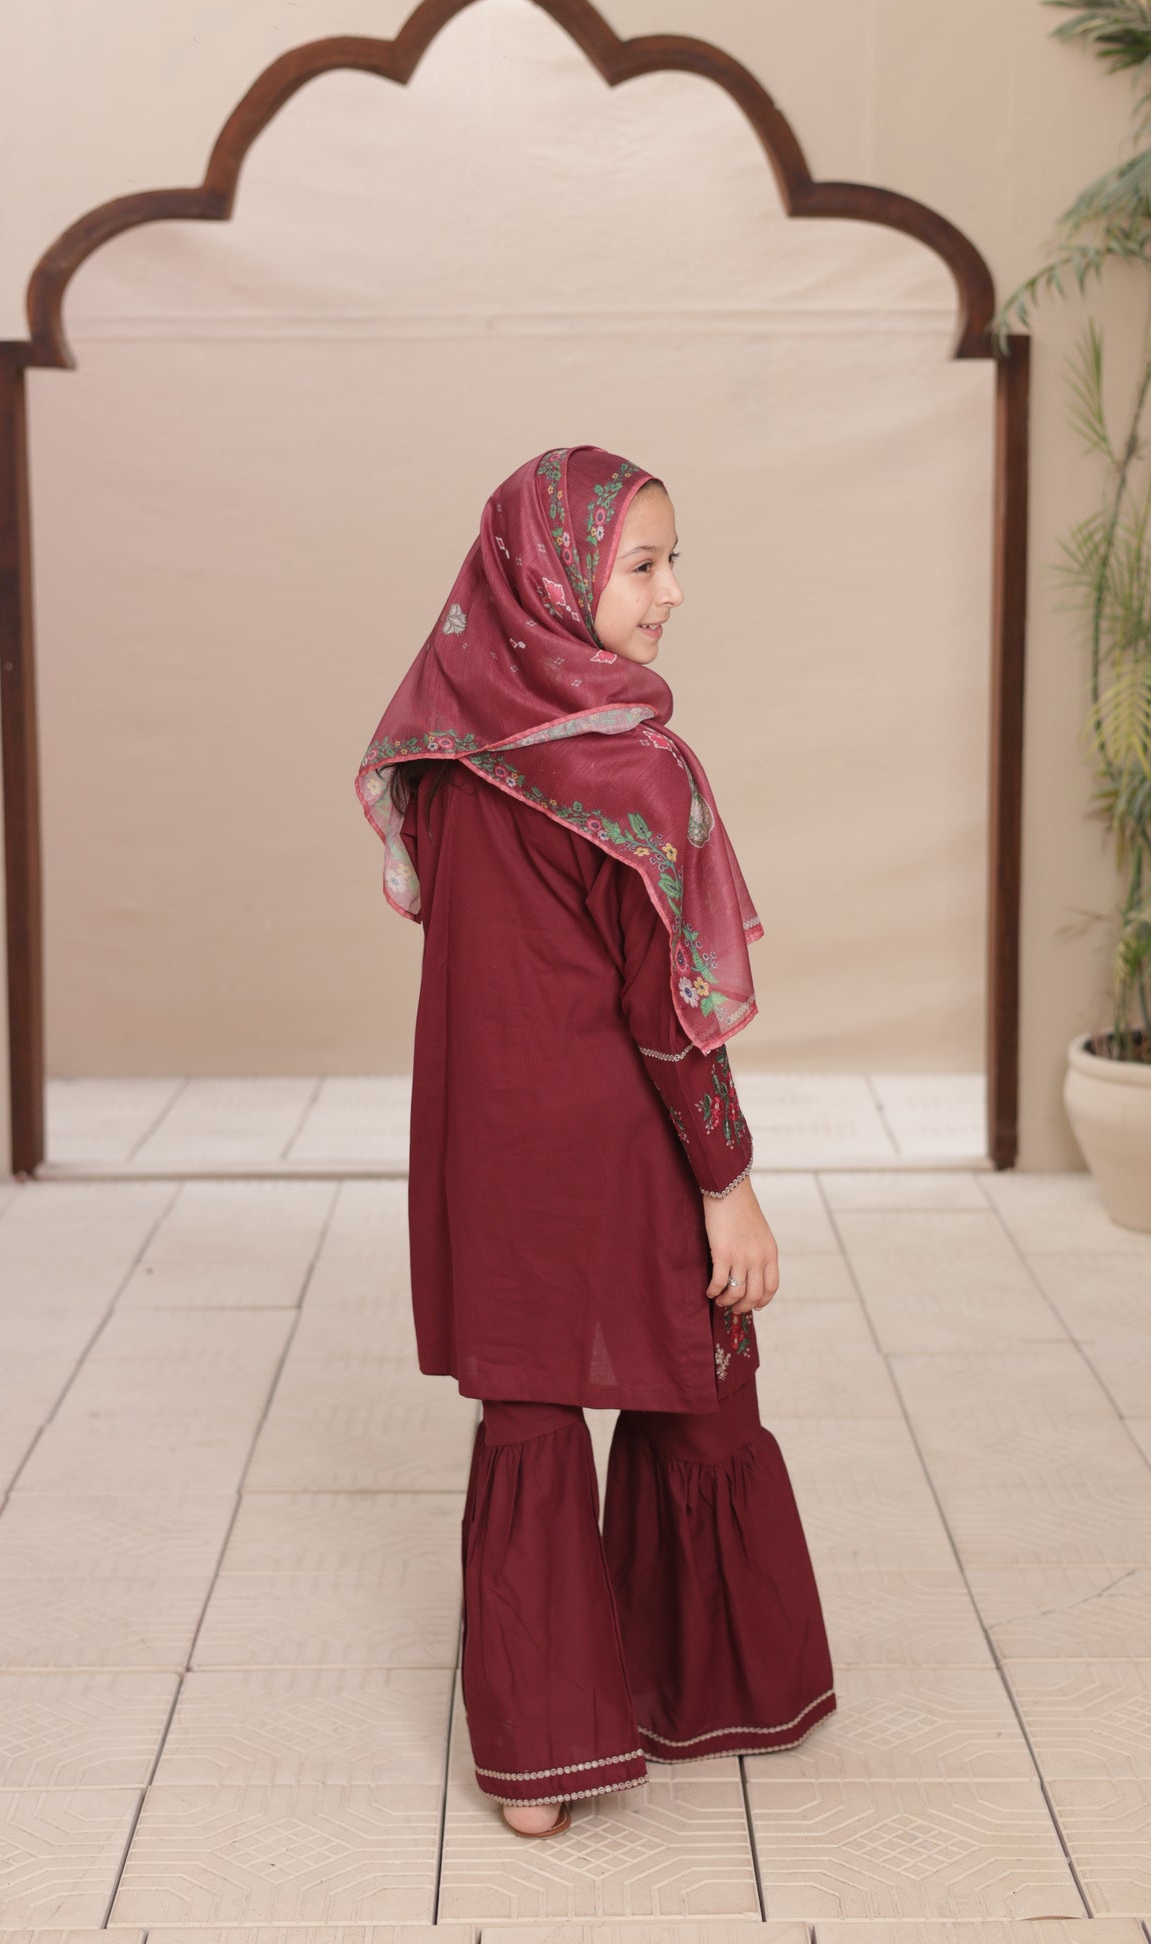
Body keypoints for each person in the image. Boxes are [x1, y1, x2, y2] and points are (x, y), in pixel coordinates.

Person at [354, 444, 836, 1839]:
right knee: (696, 1382)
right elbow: (672, 1017)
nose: (671, 593)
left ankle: (538, 1767)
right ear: (556, 575)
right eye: (642, 565)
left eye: (673, 563)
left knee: (530, 1412)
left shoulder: (444, 755)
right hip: (626, 1150)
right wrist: (728, 1185)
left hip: (488, 1151)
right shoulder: (636, 774)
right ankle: (703, 1694)